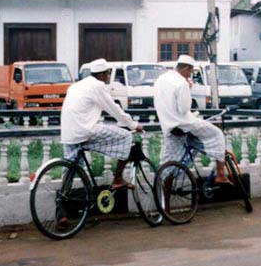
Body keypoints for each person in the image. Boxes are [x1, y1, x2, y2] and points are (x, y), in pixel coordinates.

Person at [61, 58, 143, 190]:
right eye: (108, 73)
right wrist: (133, 125)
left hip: (68, 133)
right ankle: (118, 179)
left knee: (71, 166)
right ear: (102, 74)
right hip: (84, 130)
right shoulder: (98, 86)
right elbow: (113, 109)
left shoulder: (77, 85)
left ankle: (64, 195)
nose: (109, 76)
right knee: (126, 136)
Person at [154, 55, 230, 185]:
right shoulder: (182, 83)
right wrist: (188, 89)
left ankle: (165, 191)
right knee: (218, 134)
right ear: (186, 68)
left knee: (170, 160)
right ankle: (220, 174)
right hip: (184, 124)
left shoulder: (161, 79)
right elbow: (184, 109)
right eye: (190, 72)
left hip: (169, 125)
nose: (190, 75)